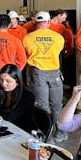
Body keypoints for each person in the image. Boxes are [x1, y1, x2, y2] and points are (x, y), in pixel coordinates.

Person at [23, 11, 66, 142]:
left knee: (42, 105)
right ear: (48, 22)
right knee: (57, 104)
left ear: (35, 23)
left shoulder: (27, 38)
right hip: (54, 73)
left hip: (37, 73)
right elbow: (58, 51)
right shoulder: (58, 37)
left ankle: (46, 135)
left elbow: (26, 54)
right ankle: (59, 132)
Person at [0, 64, 36, 132]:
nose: (3, 84)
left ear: (17, 82)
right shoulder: (0, 87)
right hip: (4, 126)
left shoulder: (27, 96)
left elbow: (10, 116)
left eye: (8, 81)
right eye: (1, 80)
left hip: (21, 130)